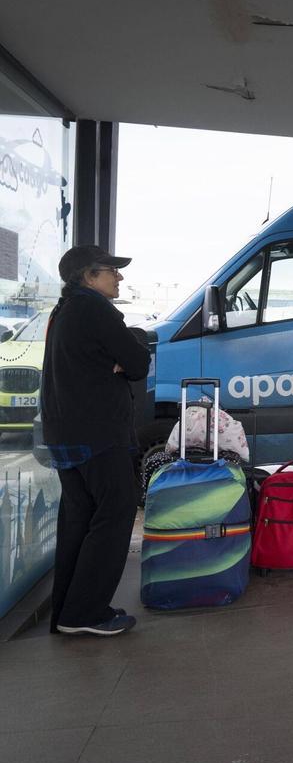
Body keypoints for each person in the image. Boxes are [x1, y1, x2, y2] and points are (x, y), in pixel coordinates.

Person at [43, 245, 150, 636]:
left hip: (68, 435)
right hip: (98, 436)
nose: (118, 277)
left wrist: (118, 360)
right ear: (88, 277)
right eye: (110, 271)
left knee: (80, 520)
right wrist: (123, 359)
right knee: (116, 511)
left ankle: (67, 613)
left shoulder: (64, 310)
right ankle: (86, 613)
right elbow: (138, 364)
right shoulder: (94, 309)